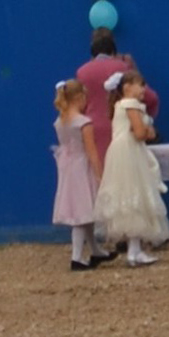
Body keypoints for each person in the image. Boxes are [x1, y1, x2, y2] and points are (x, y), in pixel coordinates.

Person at [94, 61, 169, 266]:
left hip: (119, 152)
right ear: (127, 87)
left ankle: (134, 250)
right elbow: (139, 133)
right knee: (137, 193)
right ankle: (134, 251)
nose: (143, 89)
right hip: (130, 153)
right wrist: (149, 131)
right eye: (140, 85)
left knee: (128, 196)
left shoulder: (118, 105)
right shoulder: (131, 105)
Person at [51, 78, 103, 269]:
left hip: (67, 168)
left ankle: (96, 250)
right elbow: (91, 151)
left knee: (83, 210)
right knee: (82, 212)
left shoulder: (59, 122)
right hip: (82, 167)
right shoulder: (83, 122)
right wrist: (99, 174)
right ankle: (77, 257)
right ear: (80, 98)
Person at [77, 30, 136, 166]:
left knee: (98, 171)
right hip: (120, 125)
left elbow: (80, 103)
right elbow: (145, 94)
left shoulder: (82, 72)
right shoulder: (123, 66)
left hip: (92, 127)